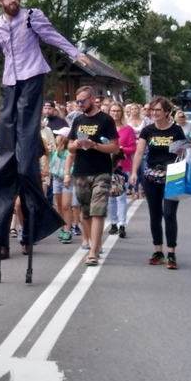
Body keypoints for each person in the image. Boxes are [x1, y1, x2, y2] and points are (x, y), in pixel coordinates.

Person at [0, 0, 90, 282]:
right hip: (11, 79)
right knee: (8, 120)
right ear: (1, 1)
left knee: (27, 120)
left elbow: (52, 37)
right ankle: (13, 150)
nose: (12, 0)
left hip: (33, 74)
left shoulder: (31, 16)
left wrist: (75, 53)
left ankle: (26, 149)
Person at [65, 86, 120, 266]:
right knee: (86, 212)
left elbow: (115, 147)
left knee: (98, 212)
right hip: (81, 171)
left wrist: (94, 145)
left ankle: (94, 251)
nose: (79, 105)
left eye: (82, 101)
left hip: (101, 172)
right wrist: (78, 145)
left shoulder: (106, 120)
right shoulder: (78, 120)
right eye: (77, 102)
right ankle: (91, 241)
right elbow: (70, 146)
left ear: (91, 99)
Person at [130, 97, 187, 270]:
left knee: (169, 214)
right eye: (152, 110)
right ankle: (158, 251)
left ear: (167, 112)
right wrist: (134, 172)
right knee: (155, 215)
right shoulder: (148, 130)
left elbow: (183, 154)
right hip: (151, 176)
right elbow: (139, 153)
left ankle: (171, 253)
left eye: (158, 110)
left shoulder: (176, 131)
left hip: (172, 176)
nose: (154, 113)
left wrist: (181, 149)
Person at [107, 102, 136, 237]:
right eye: (113, 111)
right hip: (107, 167)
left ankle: (122, 225)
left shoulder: (127, 129)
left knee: (121, 197)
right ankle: (113, 223)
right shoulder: (105, 129)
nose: (115, 113)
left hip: (123, 167)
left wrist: (121, 149)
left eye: (118, 111)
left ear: (122, 113)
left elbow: (133, 148)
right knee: (110, 198)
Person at [50, 128, 73, 245]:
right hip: (56, 179)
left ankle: (68, 229)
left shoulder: (70, 151)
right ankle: (62, 227)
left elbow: (73, 165)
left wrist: (67, 175)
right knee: (58, 205)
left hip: (67, 180)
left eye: (58, 135)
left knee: (66, 205)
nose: (56, 137)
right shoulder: (55, 150)